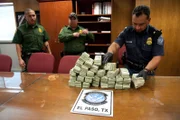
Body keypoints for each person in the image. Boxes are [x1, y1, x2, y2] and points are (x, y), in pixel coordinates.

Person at [103, 5, 164, 80]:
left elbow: (157, 57)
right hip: (129, 70)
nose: (137, 27)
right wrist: (110, 52)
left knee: (147, 91)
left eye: (141, 24)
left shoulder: (155, 34)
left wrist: (146, 70)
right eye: (134, 24)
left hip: (147, 71)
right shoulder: (127, 31)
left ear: (149, 20)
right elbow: (115, 44)